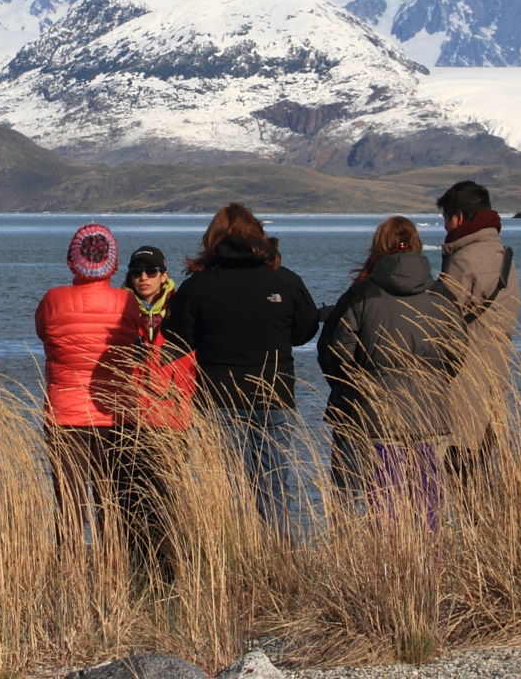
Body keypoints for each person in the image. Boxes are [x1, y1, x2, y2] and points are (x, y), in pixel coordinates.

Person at [162, 203, 321, 532]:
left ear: (212, 238)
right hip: (273, 395)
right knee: (275, 483)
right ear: (258, 235)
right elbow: (305, 330)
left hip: (219, 397)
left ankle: (236, 561)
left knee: (228, 486)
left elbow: (178, 339)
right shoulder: (285, 281)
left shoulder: (198, 286)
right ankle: (278, 557)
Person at [318, 216, 467, 527]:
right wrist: (435, 382)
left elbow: (334, 353)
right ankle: (428, 568)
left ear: (378, 246)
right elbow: (457, 352)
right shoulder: (442, 296)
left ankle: (390, 568)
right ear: (416, 246)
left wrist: (359, 391)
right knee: (427, 502)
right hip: (430, 413)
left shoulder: (360, 294)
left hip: (376, 416)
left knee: (384, 502)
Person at [33, 223, 143, 548]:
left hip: (64, 416)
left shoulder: (53, 299)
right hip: (115, 416)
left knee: (69, 504)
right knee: (110, 502)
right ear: (113, 262)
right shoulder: (128, 302)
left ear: (72, 260)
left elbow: (44, 334)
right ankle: (113, 572)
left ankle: (69, 578)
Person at [111, 244, 197, 578]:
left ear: (164, 275)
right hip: (130, 417)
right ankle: (136, 569)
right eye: (136, 272)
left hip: (172, 419)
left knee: (168, 500)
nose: (143, 278)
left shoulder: (182, 307)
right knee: (130, 500)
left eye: (150, 272)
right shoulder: (119, 308)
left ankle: (171, 570)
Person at [434, 180, 520, 487]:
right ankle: (483, 533)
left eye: (445, 218)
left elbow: (440, 321)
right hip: (495, 380)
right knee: (475, 477)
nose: (444, 226)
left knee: (456, 474)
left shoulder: (464, 260)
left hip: (463, 386)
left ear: (458, 217)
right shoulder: (504, 257)